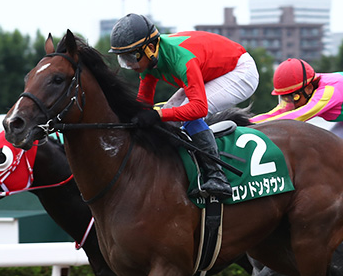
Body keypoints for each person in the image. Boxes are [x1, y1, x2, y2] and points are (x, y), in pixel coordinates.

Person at [108, 13, 259, 200]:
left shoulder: (181, 59)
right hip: (212, 71)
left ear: (149, 48)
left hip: (240, 71)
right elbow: (144, 103)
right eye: (123, 58)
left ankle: (217, 176)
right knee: (168, 117)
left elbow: (199, 109)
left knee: (186, 115)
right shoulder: (148, 60)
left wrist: (158, 115)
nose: (130, 64)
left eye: (131, 56)